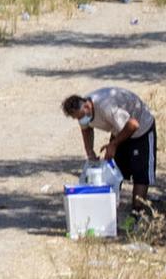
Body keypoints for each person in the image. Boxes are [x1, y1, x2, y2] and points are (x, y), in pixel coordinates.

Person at [62, 88, 158, 218]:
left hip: (141, 130)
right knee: (114, 169)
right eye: (77, 118)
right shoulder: (83, 110)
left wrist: (113, 144)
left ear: (87, 106)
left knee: (140, 174)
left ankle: (137, 213)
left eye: (81, 116)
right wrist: (90, 151)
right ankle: (109, 208)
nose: (81, 120)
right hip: (119, 130)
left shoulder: (107, 107)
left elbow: (133, 125)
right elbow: (86, 129)